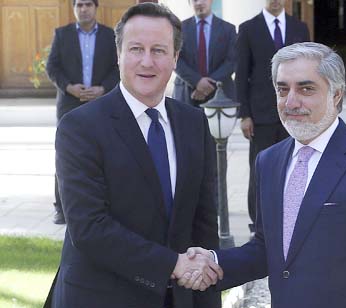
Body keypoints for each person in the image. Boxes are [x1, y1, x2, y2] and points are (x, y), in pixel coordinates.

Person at [183, 42, 346, 308]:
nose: (291, 101)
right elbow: (267, 249)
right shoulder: (268, 162)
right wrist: (213, 263)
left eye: (306, 89)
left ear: (337, 94)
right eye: (283, 89)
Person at [43, 3, 222, 308]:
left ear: (176, 57)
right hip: (100, 298)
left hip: (175, 298)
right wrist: (171, 265)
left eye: (159, 50)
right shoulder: (80, 127)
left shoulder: (193, 123)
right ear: (119, 54)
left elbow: (203, 225)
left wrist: (205, 297)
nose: (147, 61)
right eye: (136, 48)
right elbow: (89, 227)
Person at [236, 0, 310, 234]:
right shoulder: (248, 28)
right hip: (261, 114)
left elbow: (309, 72)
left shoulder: (300, 28)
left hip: (295, 112)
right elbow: (242, 74)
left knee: (295, 166)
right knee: (261, 168)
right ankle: (258, 222)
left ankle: (291, 216)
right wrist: (244, 114)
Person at [46, 0, 119, 224]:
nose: (83, 9)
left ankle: (105, 205)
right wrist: (69, 87)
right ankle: (62, 208)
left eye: (88, 4)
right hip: (70, 103)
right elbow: (52, 67)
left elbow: (119, 67)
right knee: (66, 154)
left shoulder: (110, 36)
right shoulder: (62, 34)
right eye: (79, 5)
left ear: (96, 7)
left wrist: (103, 89)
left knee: (106, 153)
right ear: (74, 8)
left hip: (101, 103)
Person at [173, 0, 236, 106]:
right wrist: (197, 81)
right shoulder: (179, 29)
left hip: (221, 94)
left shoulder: (228, 29)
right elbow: (174, 58)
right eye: (195, 0)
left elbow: (232, 60)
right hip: (187, 93)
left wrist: (208, 85)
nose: (199, 3)